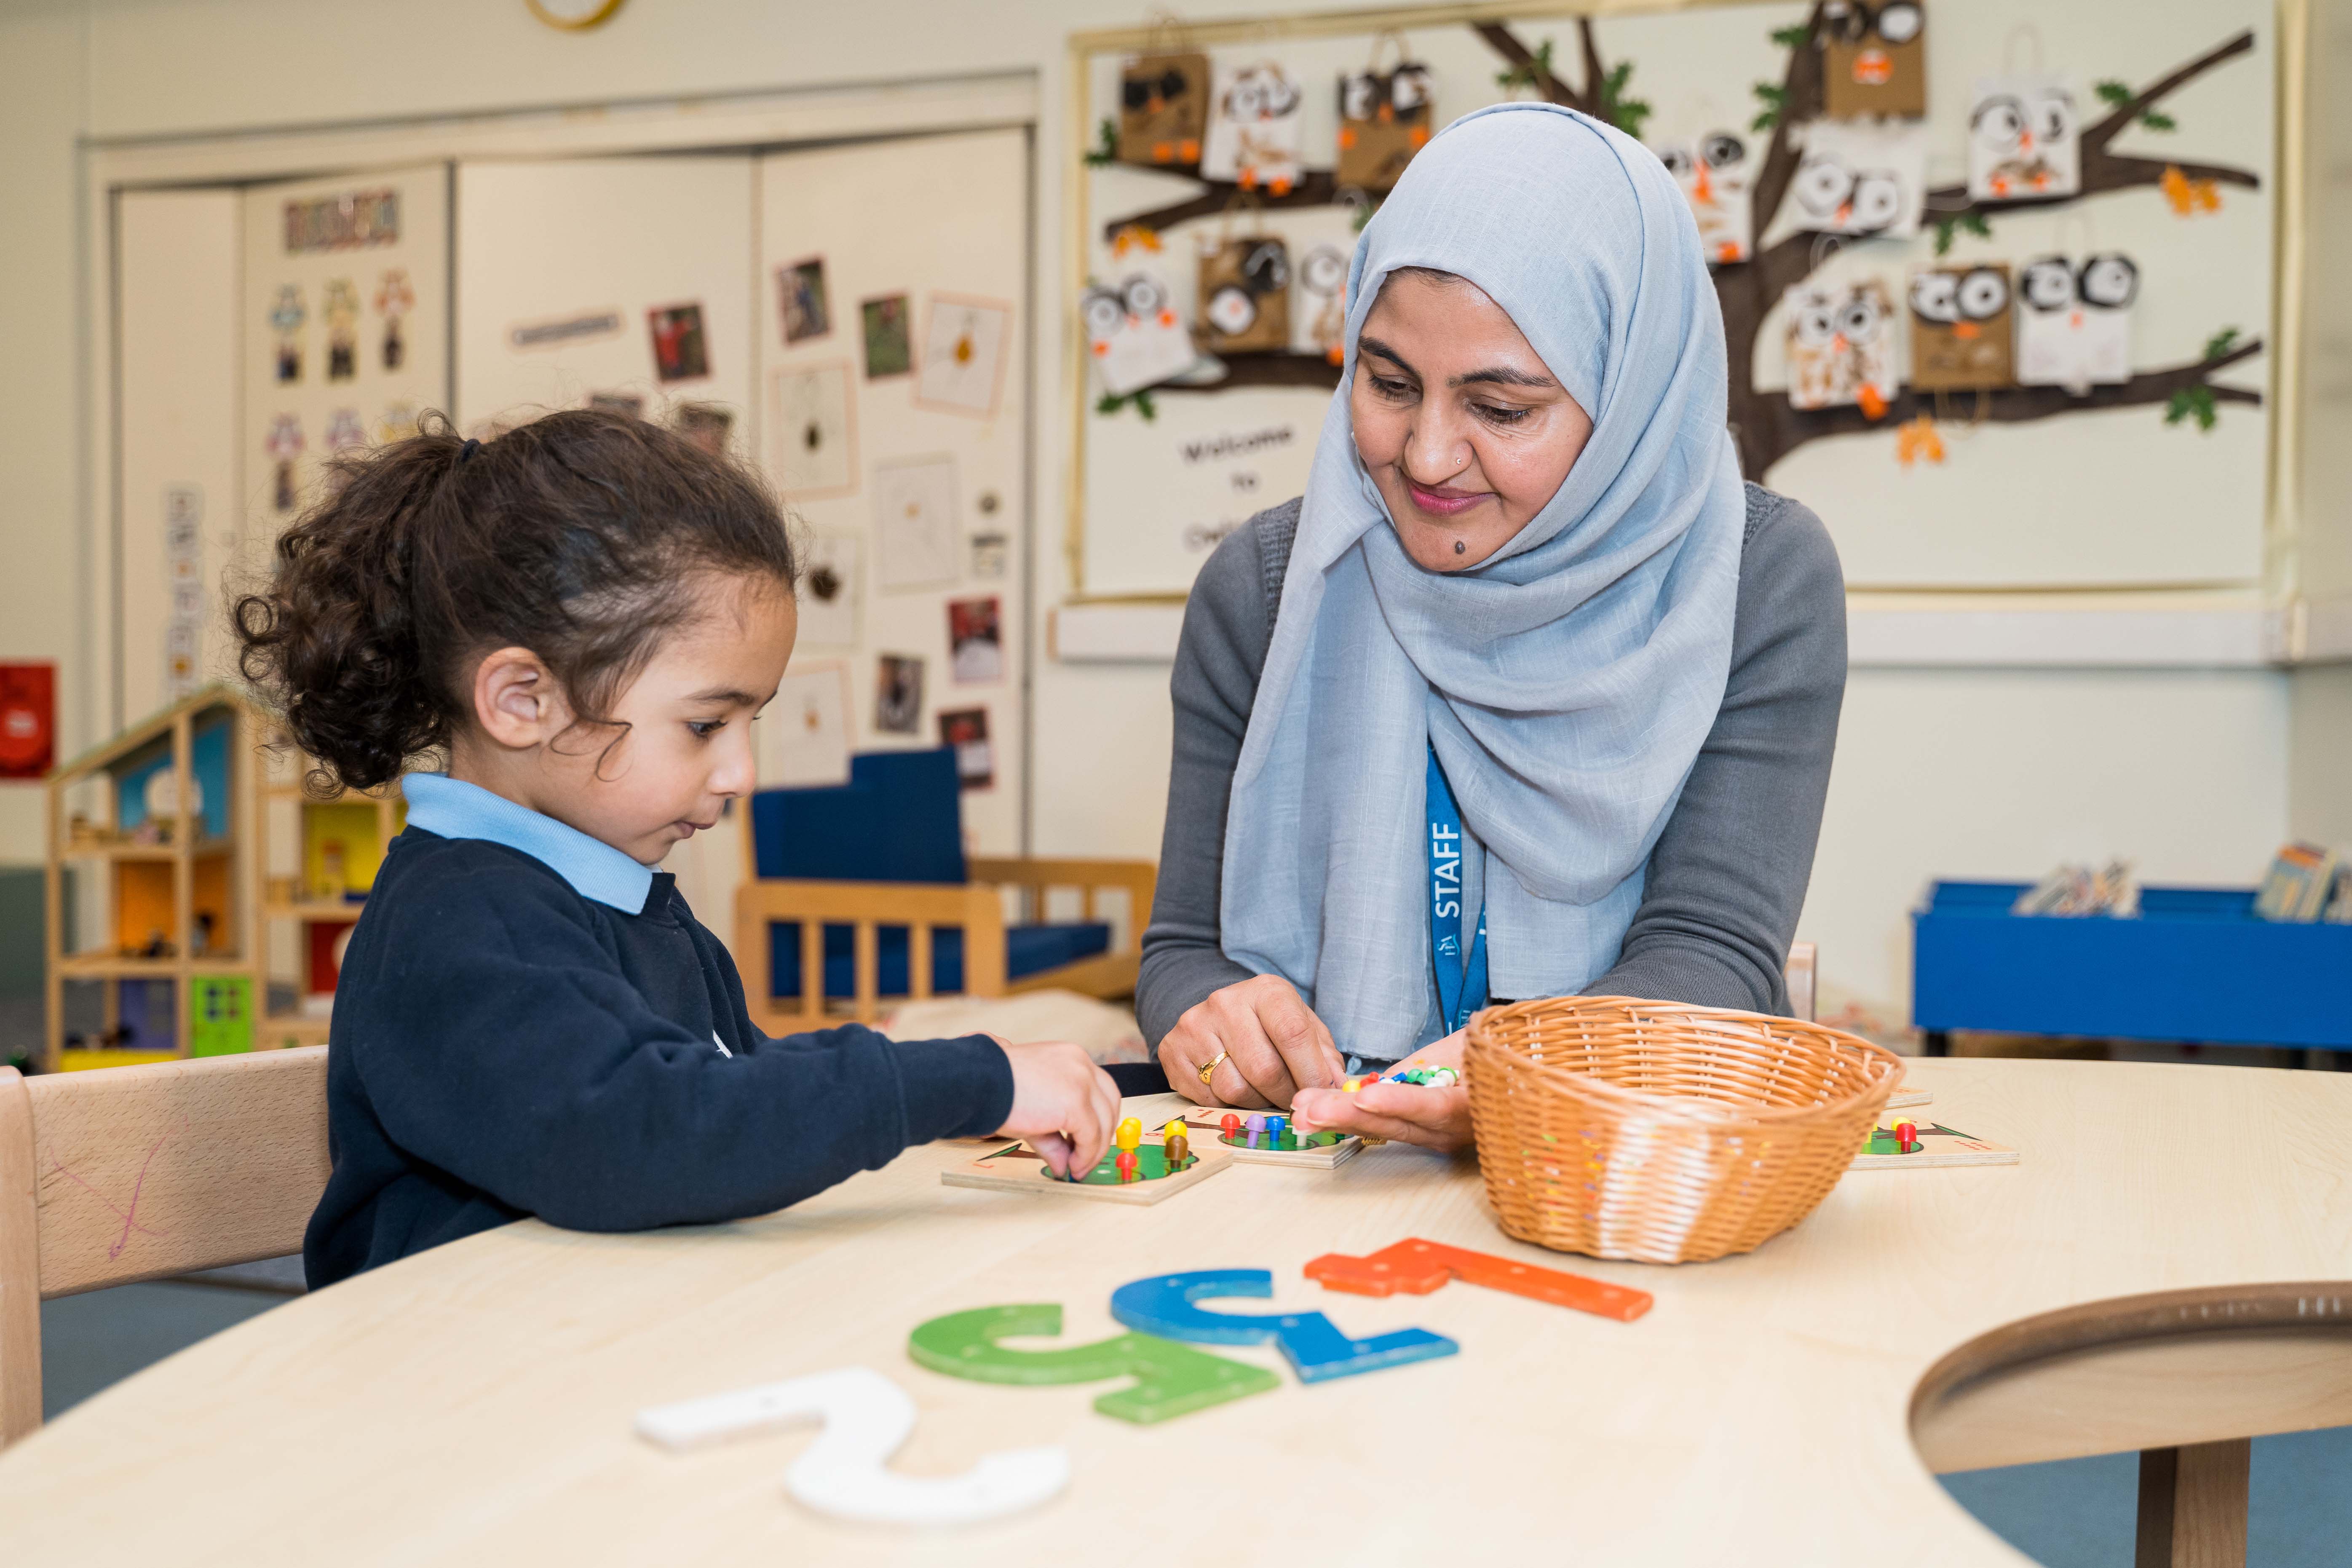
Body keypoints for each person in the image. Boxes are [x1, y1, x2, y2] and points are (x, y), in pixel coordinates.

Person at [234, 410, 1118, 1287]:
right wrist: (954, 1082)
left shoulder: (623, 898)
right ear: (519, 700)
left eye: (748, 724)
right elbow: (647, 1132)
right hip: (467, 1394)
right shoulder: (459, 924)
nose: (739, 772)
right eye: (705, 724)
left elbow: (729, 1081)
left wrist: (995, 1086)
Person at [1137, 104, 1847, 1153]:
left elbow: (1714, 950)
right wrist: (1212, 1019)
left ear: (1629, 398)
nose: (1425, 456)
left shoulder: (1754, 578)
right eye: (1386, 384)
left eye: (1500, 408)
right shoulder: (1265, 584)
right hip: (1318, 1185)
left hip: (1623, 1174)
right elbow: (1181, 953)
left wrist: (1539, 1069)